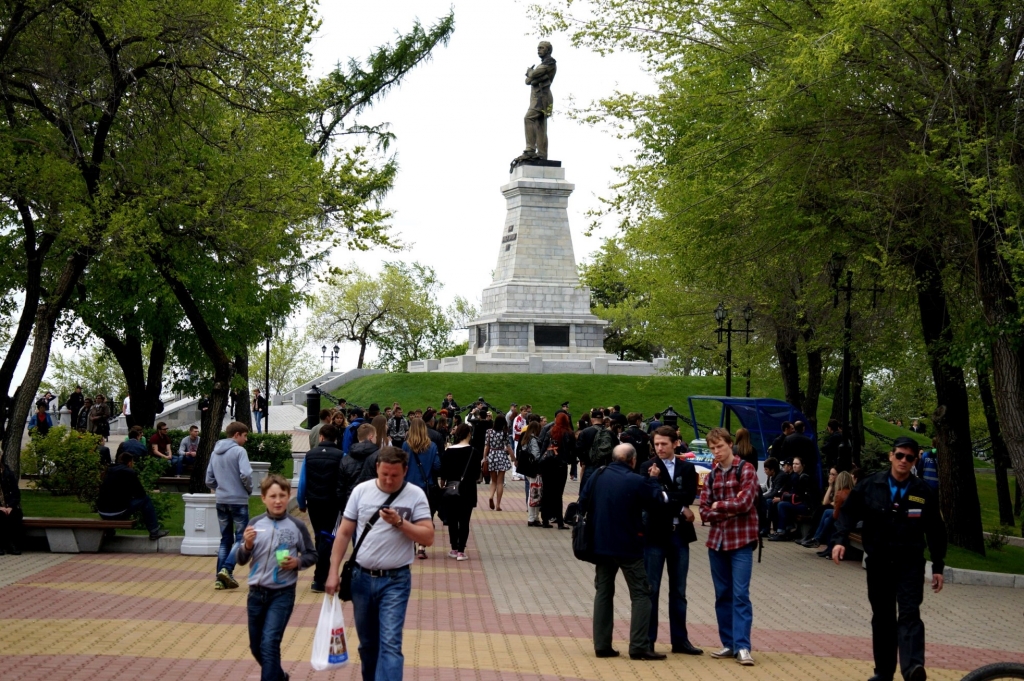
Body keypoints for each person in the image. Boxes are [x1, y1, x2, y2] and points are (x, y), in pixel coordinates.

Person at [832, 436, 946, 681]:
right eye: (899, 455)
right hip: (879, 563)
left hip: (910, 565)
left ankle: (913, 668)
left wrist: (938, 566)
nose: (903, 461)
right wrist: (840, 541)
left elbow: (936, 530)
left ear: (915, 461)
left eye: (909, 457)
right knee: (883, 618)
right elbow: (848, 513)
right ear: (891, 456)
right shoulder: (871, 485)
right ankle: (883, 672)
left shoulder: (922, 491)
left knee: (909, 614)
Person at [325, 447, 434, 681]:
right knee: (368, 645)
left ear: (405, 471)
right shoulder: (361, 491)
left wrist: (399, 522)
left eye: (394, 475)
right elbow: (344, 533)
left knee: (391, 644)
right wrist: (333, 572)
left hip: (396, 581)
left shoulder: (415, 495)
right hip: (361, 579)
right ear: (377, 468)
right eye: (384, 474)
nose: (388, 480)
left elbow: (428, 537)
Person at [582, 442, 665, 660]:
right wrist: (654, 480)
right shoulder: (637, 481)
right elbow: (657, 503)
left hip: (600, 544)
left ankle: (602, 645)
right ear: (633, 460)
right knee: (641, 594)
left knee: (603, 592)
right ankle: (638, 646)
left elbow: (582, 503)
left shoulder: (597, 475)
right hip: (629, 546)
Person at [236, 474, 317, 681]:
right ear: (263, 498)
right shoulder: (255, 524)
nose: (278, 501)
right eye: (273, 496)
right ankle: (279, 676)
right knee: (257, 647)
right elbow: (241, 559)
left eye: (282, 495)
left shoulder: (296, 525)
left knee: (270, 643)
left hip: (282, 594)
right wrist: (246, 545)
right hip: (256, 594)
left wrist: (297, 562)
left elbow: (311, 554)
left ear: (288, 495)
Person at [699, 427, 759, 667]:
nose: (716, 452)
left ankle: (743, 646)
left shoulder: (746, 469)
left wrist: (719, 506)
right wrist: (721, 509)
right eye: (712, 448)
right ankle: (729, 643)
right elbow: (703, 509)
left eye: (720, 447)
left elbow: (745, 503)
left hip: (741, 540)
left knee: (740, 594)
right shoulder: (712, 474)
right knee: (722, 594)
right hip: (717, 542)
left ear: (730, 444)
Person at [643, 426, 702, 656]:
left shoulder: (687, 468)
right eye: (656, 444)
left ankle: (680, 640)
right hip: (655, 534)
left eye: (664, 444)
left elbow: (689, 495)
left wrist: (664, 493)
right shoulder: (647, 467)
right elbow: (650, 499)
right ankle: (648, 639)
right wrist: (677, 504)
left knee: (678, 590)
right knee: (652, 589)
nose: (660, 448)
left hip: (679, 535)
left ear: (675, 443)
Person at [297, 424, 346, 593]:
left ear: (321, 437)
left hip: (313, 501)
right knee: (327, 537)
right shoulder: (341, 456)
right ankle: (319, 578)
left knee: (320, 536)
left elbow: (302, 481)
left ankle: (321, 576)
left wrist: (301, 502)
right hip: (332, 503)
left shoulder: (309, 456)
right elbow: (342, 481)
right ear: (335, 439)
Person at [206, 421, 254, 590]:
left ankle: (220, 579)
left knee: (225, 539)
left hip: (221, 500)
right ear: (236, 435)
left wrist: (219, 487)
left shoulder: (215, 452)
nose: (246, 439)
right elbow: (246, 474)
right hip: (238, 500)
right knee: (241, 538)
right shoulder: (239, 451)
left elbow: (209, 479)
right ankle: (227, 569)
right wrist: (248, 489)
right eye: (245, 436)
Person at [96, 451, 169, 540]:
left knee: (113, 501)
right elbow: (141, 493)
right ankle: (154, 531)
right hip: (118, 512)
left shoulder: (108, 470)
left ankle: (109, 531)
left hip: (102, 512)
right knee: (145, 500)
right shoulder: (129, 472)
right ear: (130, 462)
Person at [439, 424, 480, 560]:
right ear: (469, 434)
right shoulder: (474, 452)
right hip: (468, 489)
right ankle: (462, 550)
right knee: (464, 520)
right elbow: (476, 474)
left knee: (452, 520)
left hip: (451, 489)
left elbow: (443, 471)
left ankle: (454, 548)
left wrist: (443, 483)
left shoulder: (449, 451)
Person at [402, 418, 441, 559]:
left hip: (408, 486)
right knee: (425, 516)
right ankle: (421, 547)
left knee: (408, 516)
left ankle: (409, 544)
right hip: (427, 486)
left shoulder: (406, 445)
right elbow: (437, 466)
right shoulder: (432, 446)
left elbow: (402, 465)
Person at [768, 455, 819, 541]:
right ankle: (786, 529)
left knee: (782, 505)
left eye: (797, 464)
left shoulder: (804, 477)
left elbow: (799, 496)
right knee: (779, 504)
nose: (794, 466)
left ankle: (782, 532)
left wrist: (783, 497)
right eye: (794, 464)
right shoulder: (796, 476)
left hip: (806, 505)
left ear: (803, 465)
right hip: (801, 503)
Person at [538, 412, 575, 529]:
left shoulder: (550, 432)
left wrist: (540, 463)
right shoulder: (569, 433)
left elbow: (543, 448)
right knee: (558, 494)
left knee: (546, 492)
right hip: (561, 466)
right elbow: (572, 451)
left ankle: (545, 519)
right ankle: (559, 521)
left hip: (548, 466)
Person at [803, 470, 851, 551]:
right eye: (830, 474)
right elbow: (825, 502)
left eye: (833, 474)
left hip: (843, 518)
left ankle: (817, 538)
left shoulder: (841, 493)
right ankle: (824, 545)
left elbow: (835, 512)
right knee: (826, 515)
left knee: (826, 516)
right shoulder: (849, 491)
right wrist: (830, 486)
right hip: (845, 517)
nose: (830, 476)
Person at [485, 414, 515, 511]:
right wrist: (513, 458)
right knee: (500, 482)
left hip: (492, 455)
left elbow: (486, 446)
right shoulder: (504, 433)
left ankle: (490, 496)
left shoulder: (489, 432)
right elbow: (509, 447)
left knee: (493, 481)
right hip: (501, 455)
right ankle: (498, 504)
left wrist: (484, 457)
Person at [517, 421, 544, 526]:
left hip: (527, 469)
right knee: (535, 493)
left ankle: (534, 517)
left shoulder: (526, 438)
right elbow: (536, 455)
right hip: (534, 469)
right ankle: (533, 518)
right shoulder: (534, 440)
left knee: (533, 492)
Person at [783, 421, 820, 485]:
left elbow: (784, 453)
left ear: (794, 428)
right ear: (803, 428)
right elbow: (813, 456)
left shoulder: (787, 439)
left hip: (791, 467)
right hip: (805, 468)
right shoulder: (808, 440)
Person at [0, 457, 24, 554]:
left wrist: (10, 506)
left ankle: (12, 544)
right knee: (0, 516)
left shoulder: (8, 472)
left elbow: (15, 492)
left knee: (14, 515)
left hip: (8, 506)